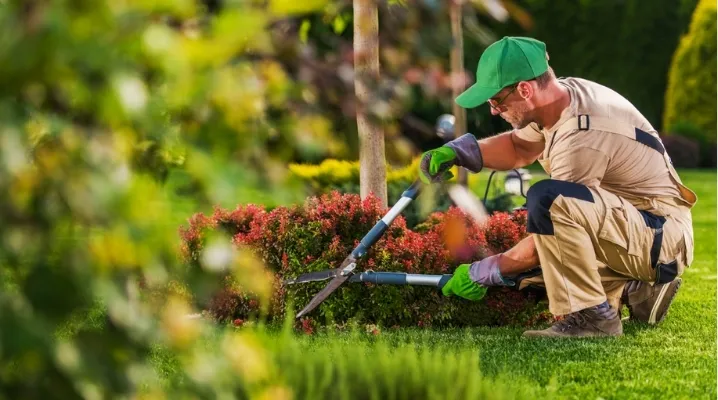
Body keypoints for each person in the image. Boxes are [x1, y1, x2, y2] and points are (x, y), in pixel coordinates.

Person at [420, 36, 697, 338]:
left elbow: (551, 227)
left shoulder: (582, 135)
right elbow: (519, 148)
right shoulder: (560, 99)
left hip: (660, 235)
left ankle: (594, 319)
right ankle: (639, 289)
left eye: (496, 100)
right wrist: (461, 152)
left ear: (525, 89)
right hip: (643, 225)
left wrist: (483, 272)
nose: (493, 111)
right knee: (541, 265)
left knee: (546, 207)